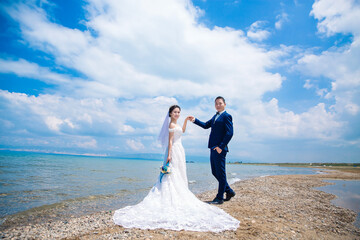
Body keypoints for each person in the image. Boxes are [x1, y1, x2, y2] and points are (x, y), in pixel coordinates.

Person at [113, 105, 239, 232]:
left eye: (178, 112)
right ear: (170, 114)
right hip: (174, 151)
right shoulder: (171, 126)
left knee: (183, 173)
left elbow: (185, 131)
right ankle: (226, 192)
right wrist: (169, 155)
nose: (177, 114)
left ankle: (224, 193)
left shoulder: (223, 116)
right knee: (175, 174)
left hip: (182, 151)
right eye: (175, 112)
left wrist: (187, 121)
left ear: (224, 104)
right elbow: (170, 141)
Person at [189, 96, 235, 205]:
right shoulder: (215, 116)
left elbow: (230, 133)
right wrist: (194, 120)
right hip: (212, 148)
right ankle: (229, 191)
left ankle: (219, 197)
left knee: (221, 173)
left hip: (220, 149)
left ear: (224, 104)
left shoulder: (227, 116)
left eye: (220, 103)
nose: (218, 105)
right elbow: (205, 125)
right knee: (215, 172)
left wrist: (221, 146)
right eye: (216, 103)